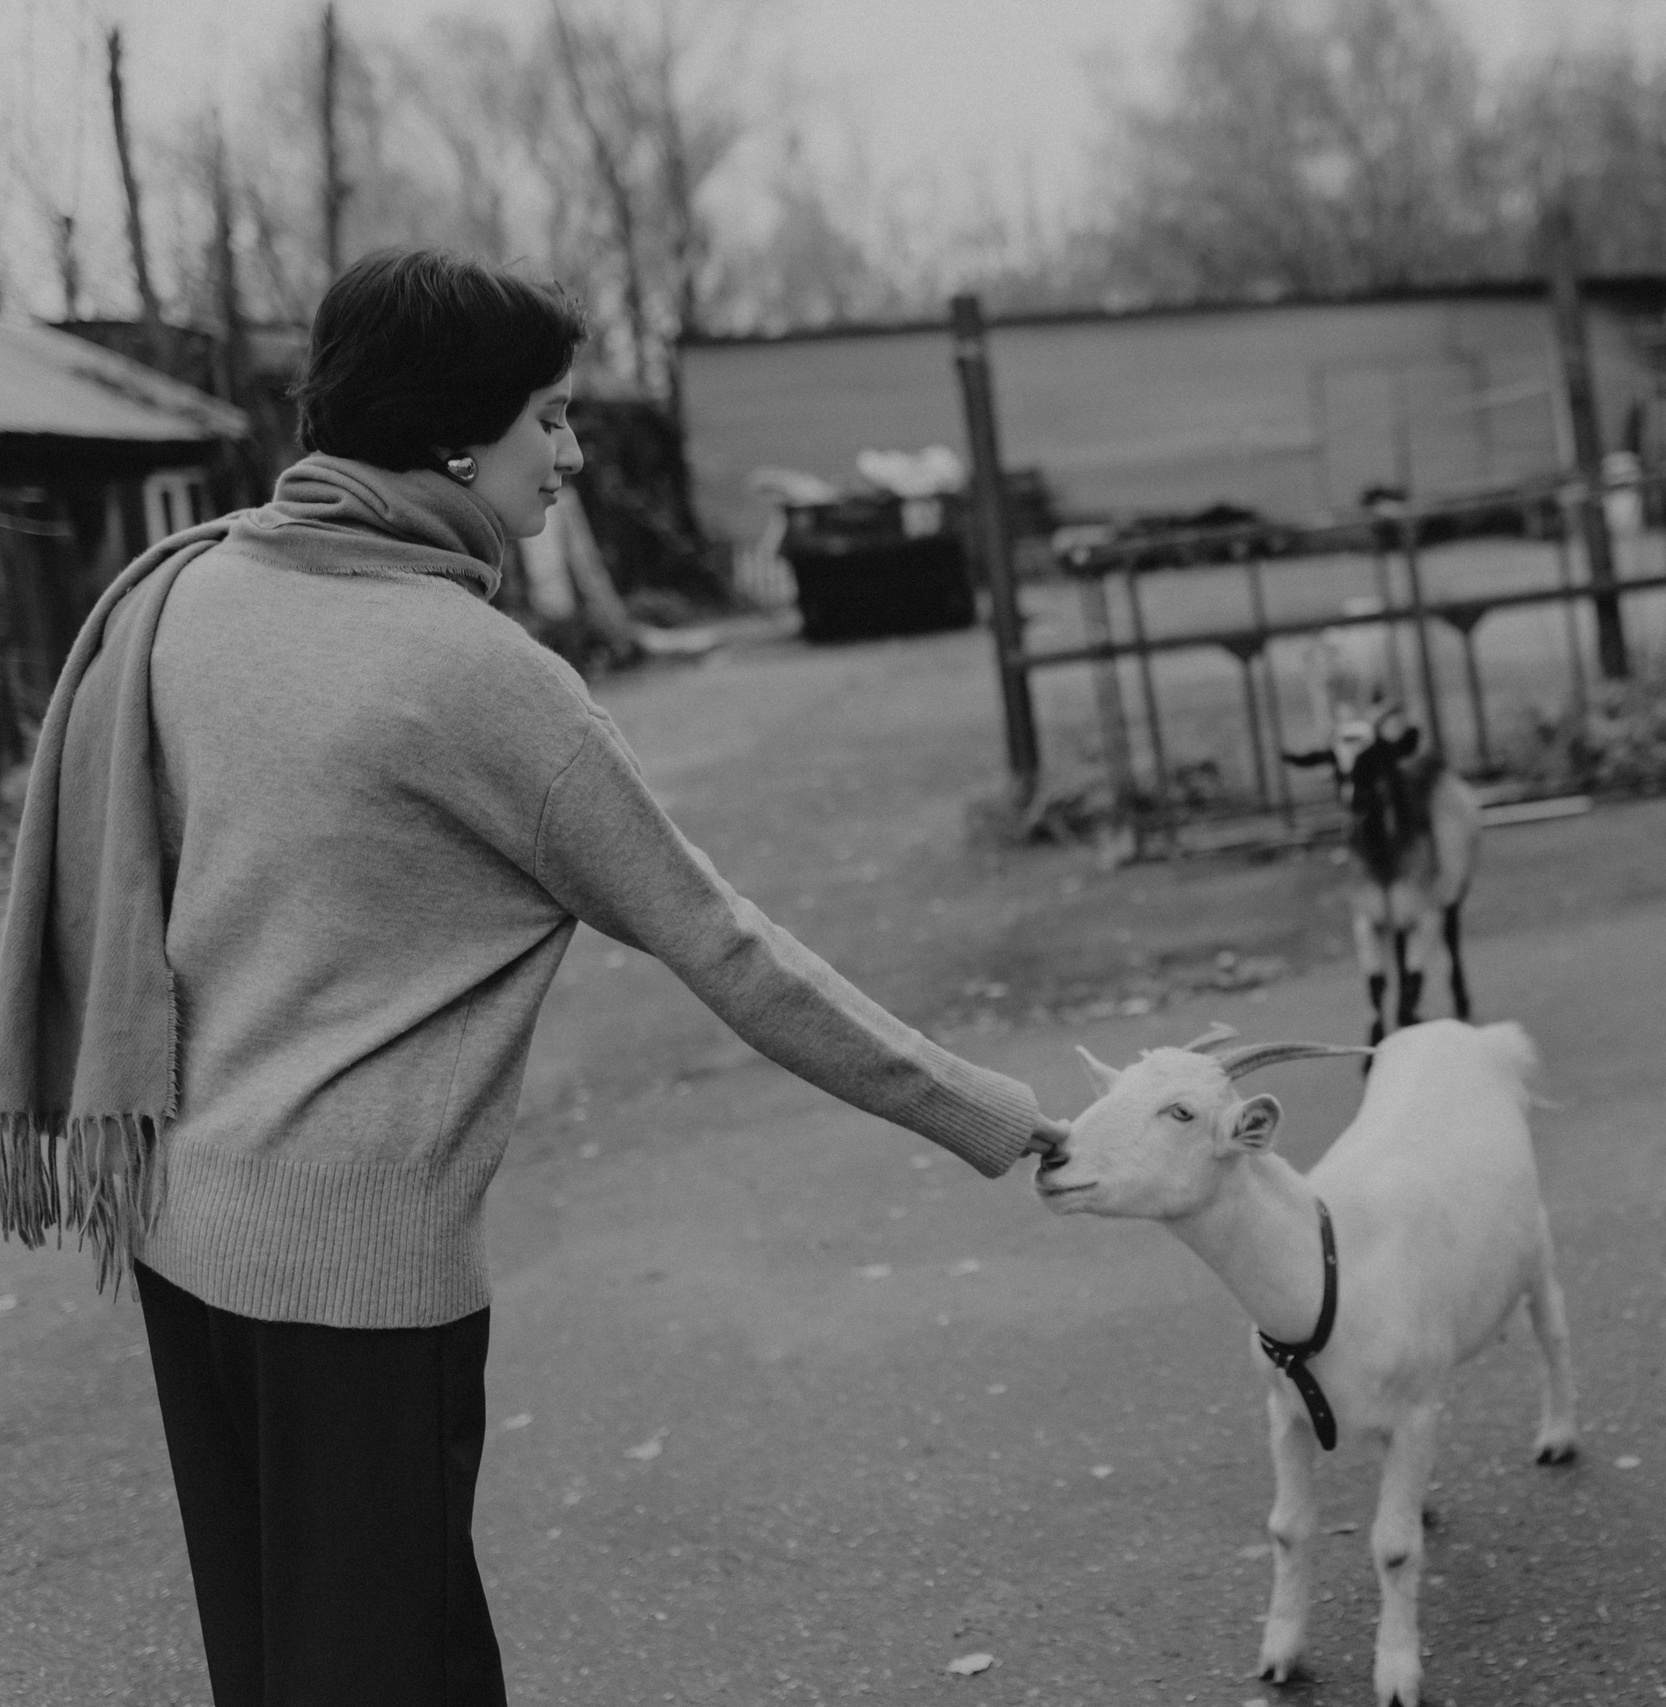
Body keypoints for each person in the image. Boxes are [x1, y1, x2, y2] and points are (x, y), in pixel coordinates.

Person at [0, 249, 1069, 1707]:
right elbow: (729, 950)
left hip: (186, 1236)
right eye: (549, 418)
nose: (571, 456)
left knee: (278, 1663)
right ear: (456, 436)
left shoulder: (193, 592)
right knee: (398, 1673)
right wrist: (988, 1111)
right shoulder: (482, 677)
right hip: (352, 1270)